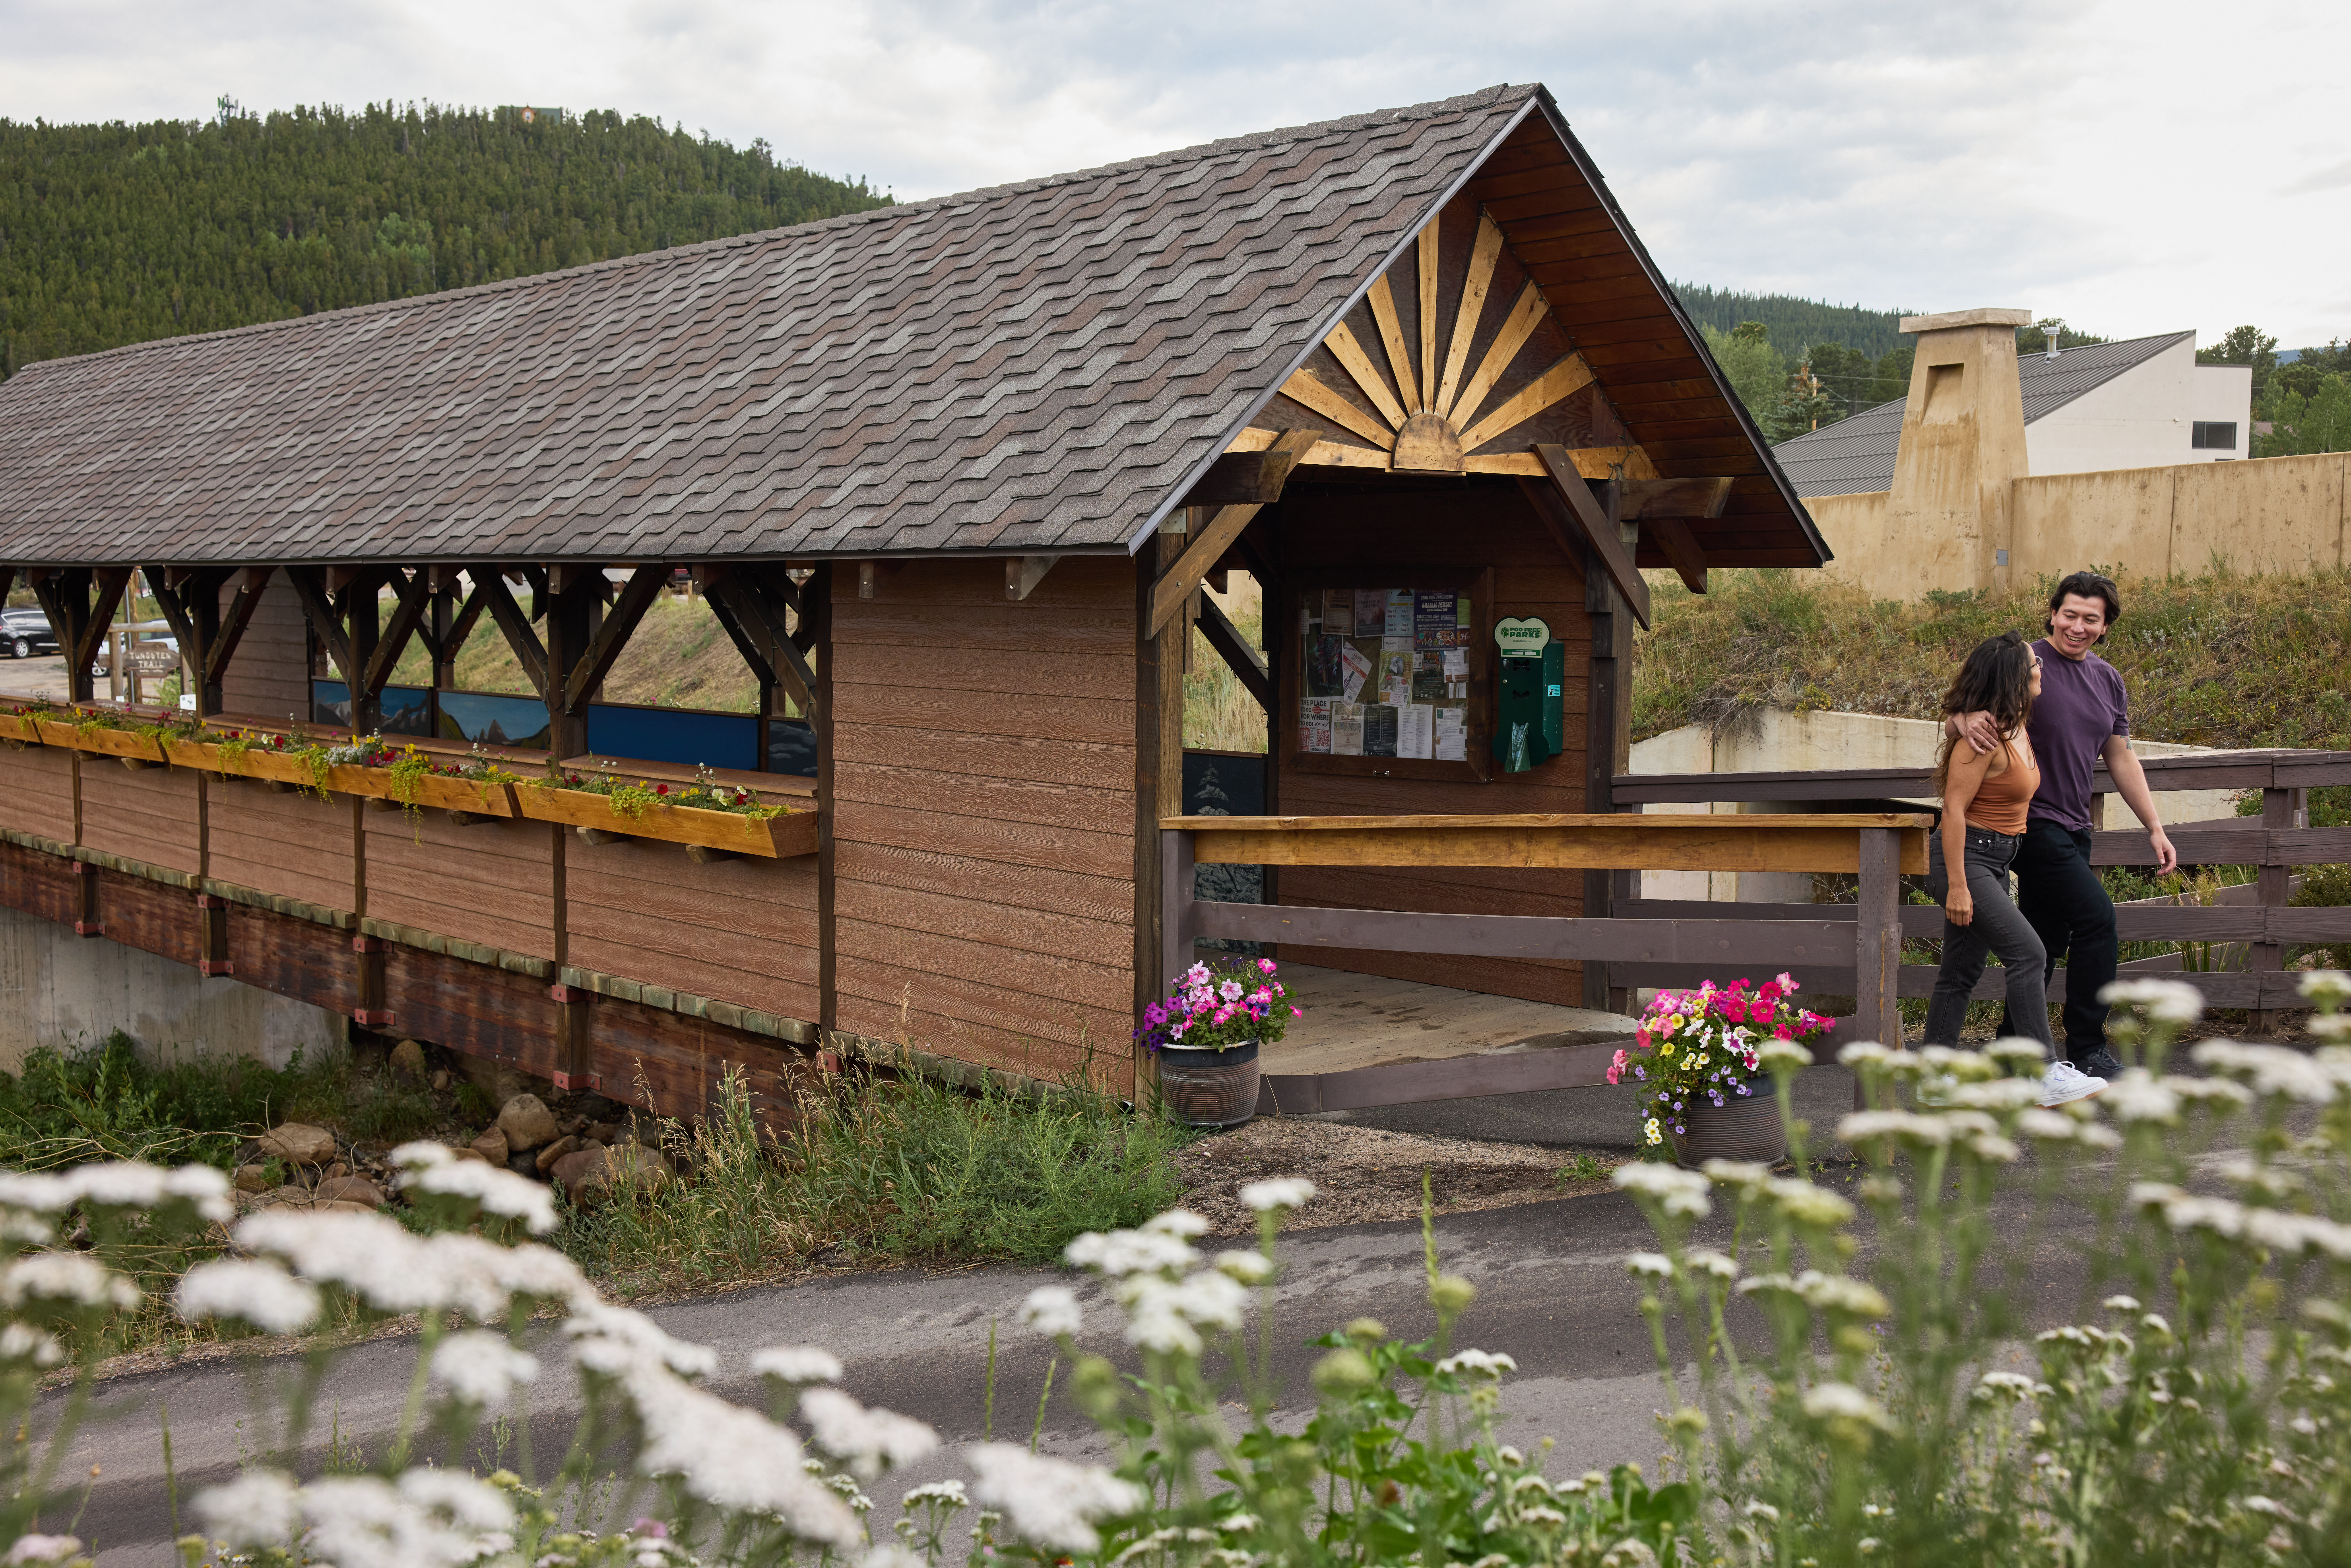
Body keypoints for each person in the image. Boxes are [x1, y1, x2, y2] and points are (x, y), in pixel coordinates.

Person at [1952, 572, 2177, 1079]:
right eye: (2070, 614)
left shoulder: (2108, 680)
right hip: (2030, 823)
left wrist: (2155, 827)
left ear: (2105, 626)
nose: (2078, 626)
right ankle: (2087, 1047)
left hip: (2077, 827)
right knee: (2098, 919)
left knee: (2046, 939)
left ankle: (2014, 1050)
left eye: (2090, 619)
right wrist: (1960, 719)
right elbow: (1970, 708)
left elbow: (2120, 759)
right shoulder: (2024, 662)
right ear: (2053, 613)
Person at [1927, 632, 2105, 1105]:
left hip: (1998, 857)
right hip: (1966, 861)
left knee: (1961, 972)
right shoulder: (1982, 740)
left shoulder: (2017, 723)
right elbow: (1953, 810)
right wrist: (1960, 887)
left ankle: (1935, 1079)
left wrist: (1956, 720)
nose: (2041, 669)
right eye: (2034, 667)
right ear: (2015, 678)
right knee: (2029, 954)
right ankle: (2041, 1072)